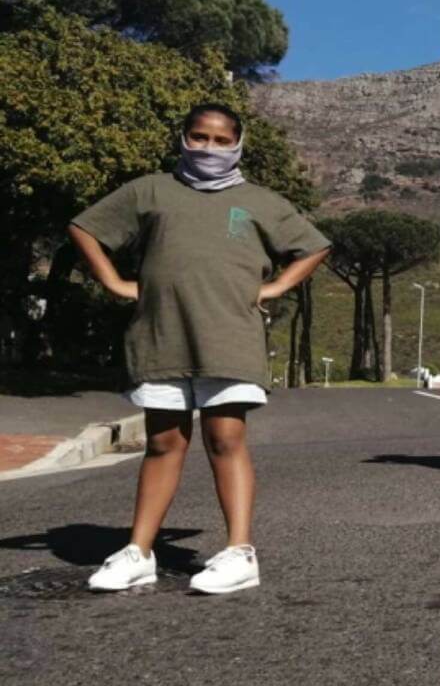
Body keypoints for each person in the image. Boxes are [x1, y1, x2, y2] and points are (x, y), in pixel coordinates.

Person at [71, 103, 331, 594]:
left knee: (225, 441)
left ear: (237, 144)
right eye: (198, 137)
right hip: (161, 337)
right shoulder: (151, 189)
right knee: (163, 444)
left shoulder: (259, 200)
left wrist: (274, 288)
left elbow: (313, 246)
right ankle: (139, 552)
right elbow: (85, 228)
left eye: (219, 140)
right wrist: (114, 282)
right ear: (183, 138)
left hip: (230, 339)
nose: (208, 148)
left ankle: (239, 552)